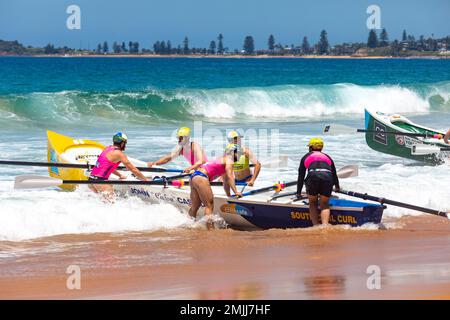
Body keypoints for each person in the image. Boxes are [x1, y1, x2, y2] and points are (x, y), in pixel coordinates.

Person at [189, 144, 243, 229]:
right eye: (239, 153)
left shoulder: (222, 160)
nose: (240, 155)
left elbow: (225, 181)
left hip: (194, 176)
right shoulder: (229, 160)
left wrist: (228, 196)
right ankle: (210, 230)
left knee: (195, 207)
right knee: (209, 205)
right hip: (201, 177)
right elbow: (230, 176)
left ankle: (189, 226)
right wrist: (236, 192)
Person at [89, 132, 148, 201]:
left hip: (91, 179)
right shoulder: (119, 154)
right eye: (125, 143)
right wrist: (146, 180)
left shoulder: (107, 148)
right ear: (122, 143)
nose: (125, 145)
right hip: (100, 181)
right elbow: (133, 169)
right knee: (111, 204)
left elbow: (106, 166)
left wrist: (119, 175)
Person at [296, 138, 340, 226]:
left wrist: (298, 192)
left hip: (313, 176)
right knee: (324, 203)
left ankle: (316, 225)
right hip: (327, 177)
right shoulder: (327, 157)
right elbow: (334, 174)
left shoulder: (306, 156)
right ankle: (324, 226)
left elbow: (301, 176)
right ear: (321, 148)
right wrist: (337, 187)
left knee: (313, 203)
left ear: (311, 148)